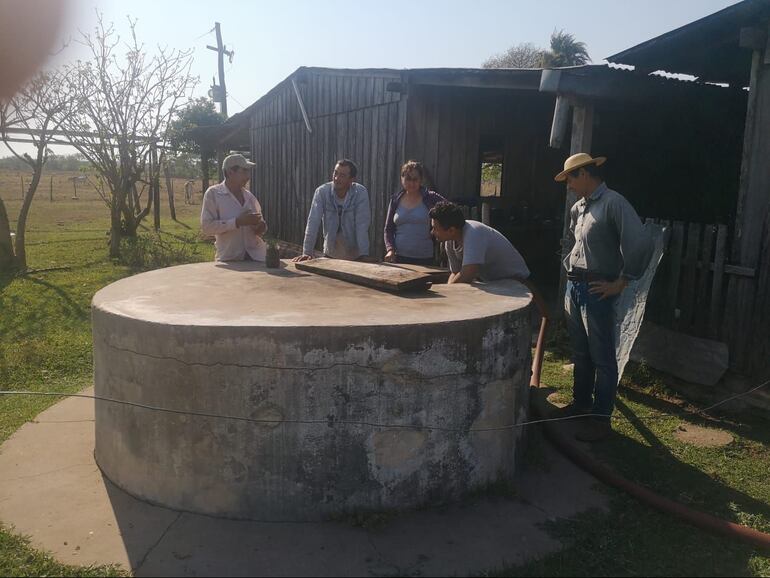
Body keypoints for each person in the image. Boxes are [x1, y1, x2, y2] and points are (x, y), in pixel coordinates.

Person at [555, 153, 652, 442]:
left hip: (598, 289)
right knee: (581, 353)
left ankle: (600, 420)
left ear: (585, 174)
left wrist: (622, 282)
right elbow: (574, 242)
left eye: (571, 178)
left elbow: (641, 242)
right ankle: (581, 404)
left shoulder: (614, 203)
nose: (569, 185)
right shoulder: (578, 208)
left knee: (602, 357)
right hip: (575, 287)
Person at [429, 201, 530, 284]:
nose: (432, 232)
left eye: (435, 228)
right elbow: (455, 273)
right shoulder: (450, 241)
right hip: (493, 282)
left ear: (451, 230)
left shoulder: (473, 233)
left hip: (515, 280)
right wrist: (448, 290)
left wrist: (449, 293)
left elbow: (467, 275)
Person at [293, 159, 370, 262]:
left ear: (352, 179)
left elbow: (362, 225)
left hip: (354, 256)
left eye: (342, 175)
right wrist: (307, 252)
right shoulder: (322, 192)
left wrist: (363, 255)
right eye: (335, 173)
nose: (336, 178)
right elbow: (313, 222)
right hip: (330, 254)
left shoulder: (360, 193)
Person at [200, 154, 268, 262]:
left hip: (257, 257)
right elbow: (207, 227)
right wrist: (237, 222)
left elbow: (259, 229)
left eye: (248, 171)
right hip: (230, 260)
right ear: (230, 172)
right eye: (244, 171)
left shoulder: (250, 197)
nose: (248, 176)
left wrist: (260, 227)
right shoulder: (214, 194)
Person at [383, 160, 446, 265]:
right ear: (402, 179)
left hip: (425, 258)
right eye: (408, 179)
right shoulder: (395, 200)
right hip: (399, 258)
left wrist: (437, 230)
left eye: (415, 179)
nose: (411, 183)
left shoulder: (430, 198)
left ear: (421, 180)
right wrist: (390, 250)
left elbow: (451, 211)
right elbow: (388, 229)